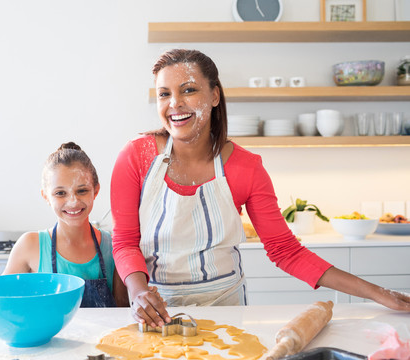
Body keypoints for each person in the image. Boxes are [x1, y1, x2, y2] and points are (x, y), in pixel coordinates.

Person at [110, 48, 410, 328]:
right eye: (165, 94)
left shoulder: (246, 167)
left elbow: (286, 251)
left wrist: (375, 292)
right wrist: (138, 292)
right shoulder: (137, 156)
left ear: (214, 96)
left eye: (188, 90)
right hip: (157, 311)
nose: (174, 103)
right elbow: (125, 241)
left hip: (225, 309)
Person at [0, 142, 129, 308]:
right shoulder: (30, 245)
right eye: (60, 193)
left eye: (82, 191)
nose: (73, 202)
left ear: (96, 190)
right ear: (46, 196)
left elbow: (122, 311)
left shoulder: (113, 246)